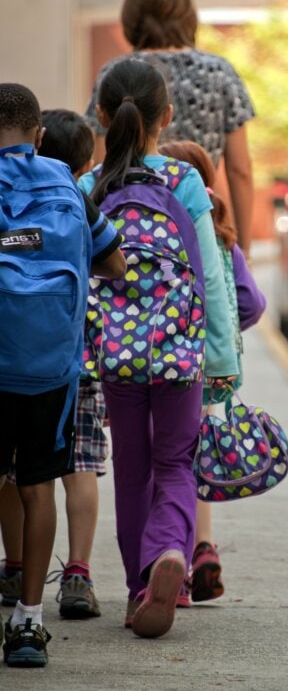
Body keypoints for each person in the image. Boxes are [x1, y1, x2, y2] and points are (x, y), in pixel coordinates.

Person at [79, 57, 239, 639]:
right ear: (166, 118)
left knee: (132, 468)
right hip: (180, 349)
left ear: (100, 115)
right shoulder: (185, 180)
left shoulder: (87, 185)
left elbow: (76, 277)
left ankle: (140, 585)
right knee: (176, 463)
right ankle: (171, 549)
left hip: (118, 354)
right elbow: (210, 277)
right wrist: (220, 357)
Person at [0, 84, 125, 668]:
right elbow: (116, 262)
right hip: (48, 367)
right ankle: (28, 624)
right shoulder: (67, 184)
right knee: (37, 485)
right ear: (40, 134)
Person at [85, 0, 256, 259]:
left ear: (131, 13)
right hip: (204, 232)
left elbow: (101, 163)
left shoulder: (116, 74)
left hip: (130, 238)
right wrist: (244, 251)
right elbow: (240, 170)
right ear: (187, 11)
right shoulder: (219, 72)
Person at [159, 140, 266, 604]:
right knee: (193, 460)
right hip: (212, 371)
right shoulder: (222, 238)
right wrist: (224, 333)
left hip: (162, 362)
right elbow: (252, 303)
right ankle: (203, 546)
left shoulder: (156, 228)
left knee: (164, 463)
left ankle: (172, 558)